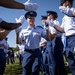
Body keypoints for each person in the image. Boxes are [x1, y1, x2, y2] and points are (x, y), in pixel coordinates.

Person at [15, 11, 51, 75]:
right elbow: (18, 42)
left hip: (37, 52)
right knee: (26, 71)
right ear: (26, 20)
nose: (32, 20)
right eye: (30, 18)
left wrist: (47, 29)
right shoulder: (23, 31)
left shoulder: (40, 29)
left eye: (33, 18)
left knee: (36, 71)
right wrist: (17, 33)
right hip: (27, 52)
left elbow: (48, 38)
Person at [49, 0, 75, 75]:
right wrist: (53, 25)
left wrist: (72, 14)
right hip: (67, 40)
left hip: (74, 37)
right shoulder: (64, 17)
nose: (61, 6)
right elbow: (62, 30)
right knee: (71, 63)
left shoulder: (73, 11)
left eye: (62, 4)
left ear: (67, 2)